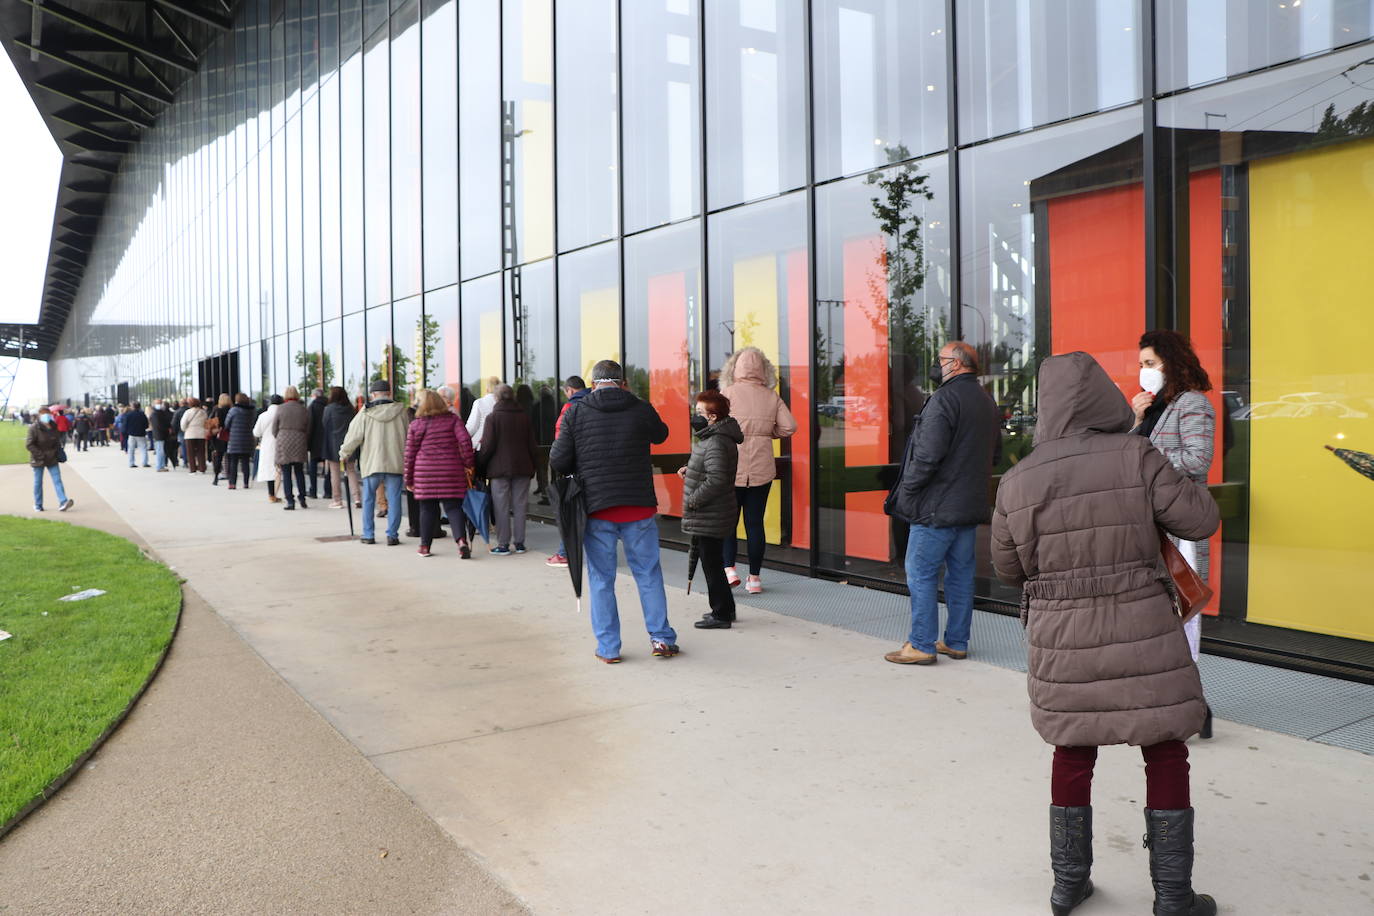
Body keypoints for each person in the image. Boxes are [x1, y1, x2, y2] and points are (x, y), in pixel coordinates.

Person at [991, 352, 1221, 916]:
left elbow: (1006, 568)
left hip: (1061, 636)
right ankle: (1173, 896)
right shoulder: (1137, 455)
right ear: (1103, 399)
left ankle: (1067, 885)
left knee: (1072, 751)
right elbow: (1200, 521)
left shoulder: (1019, 477)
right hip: (1143, 625)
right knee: (1165, 750)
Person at [549, 359, 678, 663]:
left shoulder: (576, 412)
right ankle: (661, 638)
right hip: (639, 505)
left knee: (602, 579)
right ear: (623, 383)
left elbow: (558, 461)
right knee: (648, 573)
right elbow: (661, 434)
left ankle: (609, 648)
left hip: (598, 508)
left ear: (593, 384)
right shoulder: (639, 407)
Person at [883, 340, 1000, 666]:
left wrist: (909, 492)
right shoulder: (986, 402)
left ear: (958, 364)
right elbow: (995, 454)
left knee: (919, 572)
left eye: (941, 359)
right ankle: (956, 641)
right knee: (960, 575)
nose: (937, 365)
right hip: (968, 505)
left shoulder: (944, 399)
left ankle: (921, 643)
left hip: (936, 507)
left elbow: (926, 455)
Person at [1133, 329, 1217, 737]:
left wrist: (1148, 455)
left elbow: (1199, 459)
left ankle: (1192, 707)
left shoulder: (1192, 404)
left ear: (1172, 362)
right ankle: (1178, 703)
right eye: (1141, 365)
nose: (1143, 371)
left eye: (1150, 363)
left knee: (1182, 617)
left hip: (1180, 525)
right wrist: (1135, 420)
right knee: (1158, 616)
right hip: (1152, 525)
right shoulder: (1154, 408)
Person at [718, 347, 798, 594]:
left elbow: (714, 426)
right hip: (762, 469)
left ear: (735, 368)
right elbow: (790, 427)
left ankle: (729, 570)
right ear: (764, 369)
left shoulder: (726, 394)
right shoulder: (771, 396)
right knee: (755, 524)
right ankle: (754, 579)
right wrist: (765, 434)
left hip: (731, 467)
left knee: (728, 523)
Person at [677, 390, 743, 629]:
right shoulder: (715, 438)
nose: (695, 416)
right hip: (713, 511)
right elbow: (711, 470)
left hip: (710, 512)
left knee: (712, 563)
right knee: (712, 561)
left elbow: (716, 479)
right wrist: (690, 470)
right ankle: (725, 608)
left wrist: (693, 500)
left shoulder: (715, 441)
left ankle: (722, 614)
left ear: (713, 417)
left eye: (700, 412)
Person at [404, 389, 476, 558]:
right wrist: (468, 464)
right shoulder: (453, 420)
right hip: (451, 470)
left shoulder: (416, 424)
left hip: (425, 472)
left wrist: (408, 478)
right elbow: (465, 442)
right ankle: (461, 542)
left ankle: (424, 546)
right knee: (453, 507)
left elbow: (409, 454)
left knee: (427, 509)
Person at [339, 379, 411, 545]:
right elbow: (409, 437)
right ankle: (392, 535)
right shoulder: (401, 412)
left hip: (372, 463)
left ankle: (369, 534)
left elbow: (353, 436)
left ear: (373, 394)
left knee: (368, 499)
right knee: (394, 499)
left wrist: (344, 453)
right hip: (395, 462)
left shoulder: (365, 412)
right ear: (389, 393)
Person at [477, 384, 539, 555]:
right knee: (520, 506)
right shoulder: (524, 417)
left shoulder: (493, 418)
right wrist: (534, 466)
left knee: (501, 507)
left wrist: (480, 466)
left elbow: (487, 446)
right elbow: (532, 445)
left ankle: (503, 544)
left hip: (499, 469)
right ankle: (520, 543)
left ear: (496, 398)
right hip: (523, 467)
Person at [546, 375, 589, 568]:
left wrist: (562, 467)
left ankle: (564, 554)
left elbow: (561, 443)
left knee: (570, 513)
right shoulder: (594, 402)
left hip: (576, 470)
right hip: (595, 468)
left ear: (570, 390)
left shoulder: (569, 408)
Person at [27, 407, 74, 512]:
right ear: (39, 415)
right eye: (44, 414)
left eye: (47, 413)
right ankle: (38, 505)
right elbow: (29, 444)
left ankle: (63, 501)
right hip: (39, 459)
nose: (46, 416)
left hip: (52, 458)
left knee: (57, 480)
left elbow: (56, 442)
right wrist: (40, 455)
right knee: (38, 482)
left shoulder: (53, 426)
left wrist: (58, 452)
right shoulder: (34, 428)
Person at [322, 386, 361, 509]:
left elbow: (324, 423)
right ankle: (357, 498)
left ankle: (337, 500)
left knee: (335, 473)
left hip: (333, 445)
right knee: (351, 471)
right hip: (350, 444)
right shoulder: (350, 409)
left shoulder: (328, 409)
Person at [273, 386, 311, 510]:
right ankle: (302, 498)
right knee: (299, 471)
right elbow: (308, 427)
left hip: (284, 440)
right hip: (299, 440)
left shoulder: (280, 408)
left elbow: (274, 428)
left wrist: (279, 436)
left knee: (286, 472)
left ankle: (290, 500)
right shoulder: (303, 409)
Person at [254, 395, 284, 502]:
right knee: (279, 470)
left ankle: (271, 494)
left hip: (267, 444)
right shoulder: (282, 414)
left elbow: (256, 432)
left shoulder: (263, 415)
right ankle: (275, 493)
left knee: (269, 470)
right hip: (281, 443)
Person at [223, 393, 257, 489]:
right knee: (245, 462)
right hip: (247, 439)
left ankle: (232, 483)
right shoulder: (251, 411)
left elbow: (227, 424)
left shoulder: (233, 410)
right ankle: (246, 483)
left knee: (233, 462)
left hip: (235, 440)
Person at [306, 387, 332, 502]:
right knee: (328, 467)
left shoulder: (312, 407)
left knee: (313, 466)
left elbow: (310, 426)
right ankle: (328, 491)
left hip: (315, 442)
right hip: (328, 441)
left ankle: (313, 490)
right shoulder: (329, 406)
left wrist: (307, 443)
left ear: (314, 396)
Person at [465, 375, 502, 450]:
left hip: (482, 445)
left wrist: (462, 438)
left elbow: (472, 427)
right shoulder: (504, 403)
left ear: (487, 388)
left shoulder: (480, 402)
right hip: (501, 446)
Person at [207, 393, 232, 483]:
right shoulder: (231, 410)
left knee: (219, 456)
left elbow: (210, 422)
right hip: (230, 435)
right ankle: (229, 474)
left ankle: (216, 477)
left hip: (219, 435)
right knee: (229, 456)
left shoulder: (217, 410)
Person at [181, 397, 208, 473]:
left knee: (190, 453)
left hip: (190, 434)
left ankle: (193, 469)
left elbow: (183, 424)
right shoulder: (203, 412)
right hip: (201, 434)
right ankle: (202, 468)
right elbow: (206, 423)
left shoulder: (188, 412)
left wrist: (185, 430)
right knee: (201, 452)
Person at [149, 399, 174, 471]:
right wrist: (167, 428)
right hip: (159, 434)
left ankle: (162, 465)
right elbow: (159, 425)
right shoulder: (155, 414)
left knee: (161, 450)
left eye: (160, 403)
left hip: (161, 434)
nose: (160, 404)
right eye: (158, 403)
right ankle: (159, 466)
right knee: (160, 451)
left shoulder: (159, 412)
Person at [124, 401, 150, 467]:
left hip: (131, 434)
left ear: (133, 407)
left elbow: (125, 425)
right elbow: (146, 425)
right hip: (141, 434)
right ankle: (144, 462)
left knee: (131, 449)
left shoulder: (129, 415)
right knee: (143, 448)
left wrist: (127, 431)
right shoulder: (142, 414)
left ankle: (131, 463)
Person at [171, 398, 189, 469]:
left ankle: (185, 462)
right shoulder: (189, 410)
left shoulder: (177, 412)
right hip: (189, 431)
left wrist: (174, 432)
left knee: (183, 447)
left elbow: (174, 423)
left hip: (181, 431)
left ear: (180, 404)